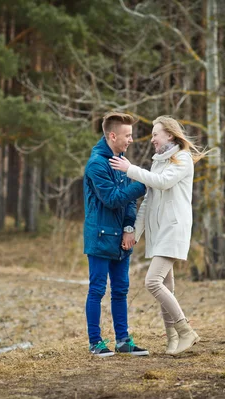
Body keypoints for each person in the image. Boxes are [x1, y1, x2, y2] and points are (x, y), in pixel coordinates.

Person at [109, 115, 207, 355]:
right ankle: (173, 341)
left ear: (169, 135)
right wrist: (134, 232)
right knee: (165, 286)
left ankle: (186, 331)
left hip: (173, 230)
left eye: (155, 134)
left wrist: (130, 169)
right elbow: (148, 202)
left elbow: (163, 183)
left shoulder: (183, 159)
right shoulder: (158, 162)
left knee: (152, 282)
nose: (151, 139)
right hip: (159, 232)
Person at [83, 111, 149, 357]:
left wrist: (129, 229)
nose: (131, 139)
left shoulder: (121, 161)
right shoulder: (97, 164)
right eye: (127, 135)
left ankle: (123, 341)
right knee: (97, 290)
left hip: (121, 239)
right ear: (112, 135)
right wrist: (142, 182)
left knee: (121, 289)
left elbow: (128, 204)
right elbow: (111, 199)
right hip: (99, 238)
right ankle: (95, 342)